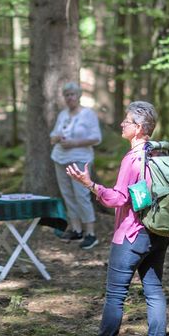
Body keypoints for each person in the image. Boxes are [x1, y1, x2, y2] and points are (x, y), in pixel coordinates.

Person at [66, 101, 169, 336]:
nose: (122, 125)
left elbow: (118, 198)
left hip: (131, 235)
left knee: (115, 296)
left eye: (126, 122)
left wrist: (90, 185)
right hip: (157, 232)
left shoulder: (132, 159)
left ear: (138, 128)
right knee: (155, 293)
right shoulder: (160, 154)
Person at [49, 82, 102, 250]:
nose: (69, 97)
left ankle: (91, 233)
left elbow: (96, 138)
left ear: (79, 96)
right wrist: (57, 138)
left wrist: (74, 143)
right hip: (60, 158)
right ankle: (76, 229)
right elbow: (53, 136)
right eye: (66, 95)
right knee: (68, 195)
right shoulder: (63, 114)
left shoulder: (88, 114)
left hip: (80, 158)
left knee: (81, 195)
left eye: (72, 94)